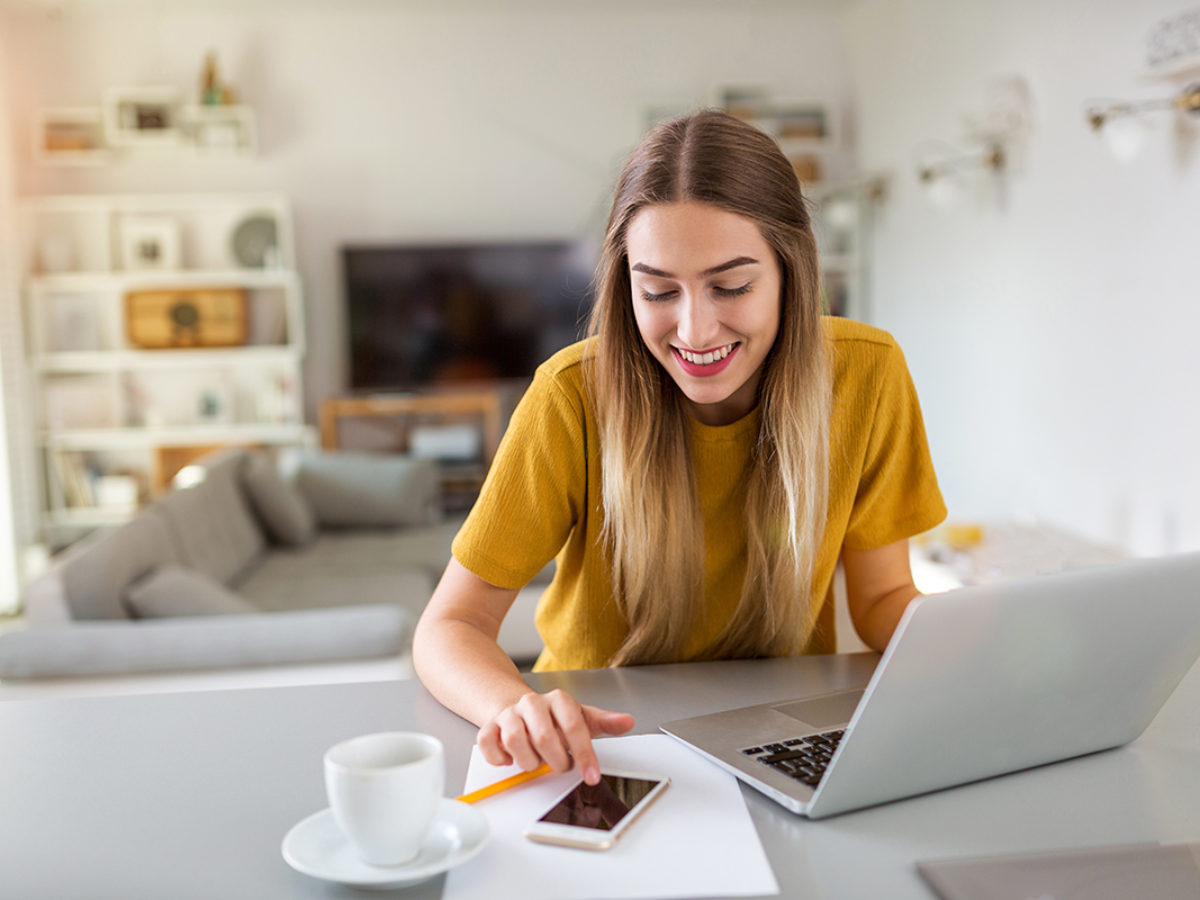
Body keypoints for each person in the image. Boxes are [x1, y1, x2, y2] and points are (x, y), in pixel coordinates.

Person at [413, 109, 946, 788]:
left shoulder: (868, 375)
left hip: (775, 734)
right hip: (596, 750)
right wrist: (514, 706)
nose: (694, 329)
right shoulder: (571, 396)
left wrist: (962, 643)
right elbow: (448, 626)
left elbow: (882, 598)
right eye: (658, 290)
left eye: (732, 286)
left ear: (791, 271)